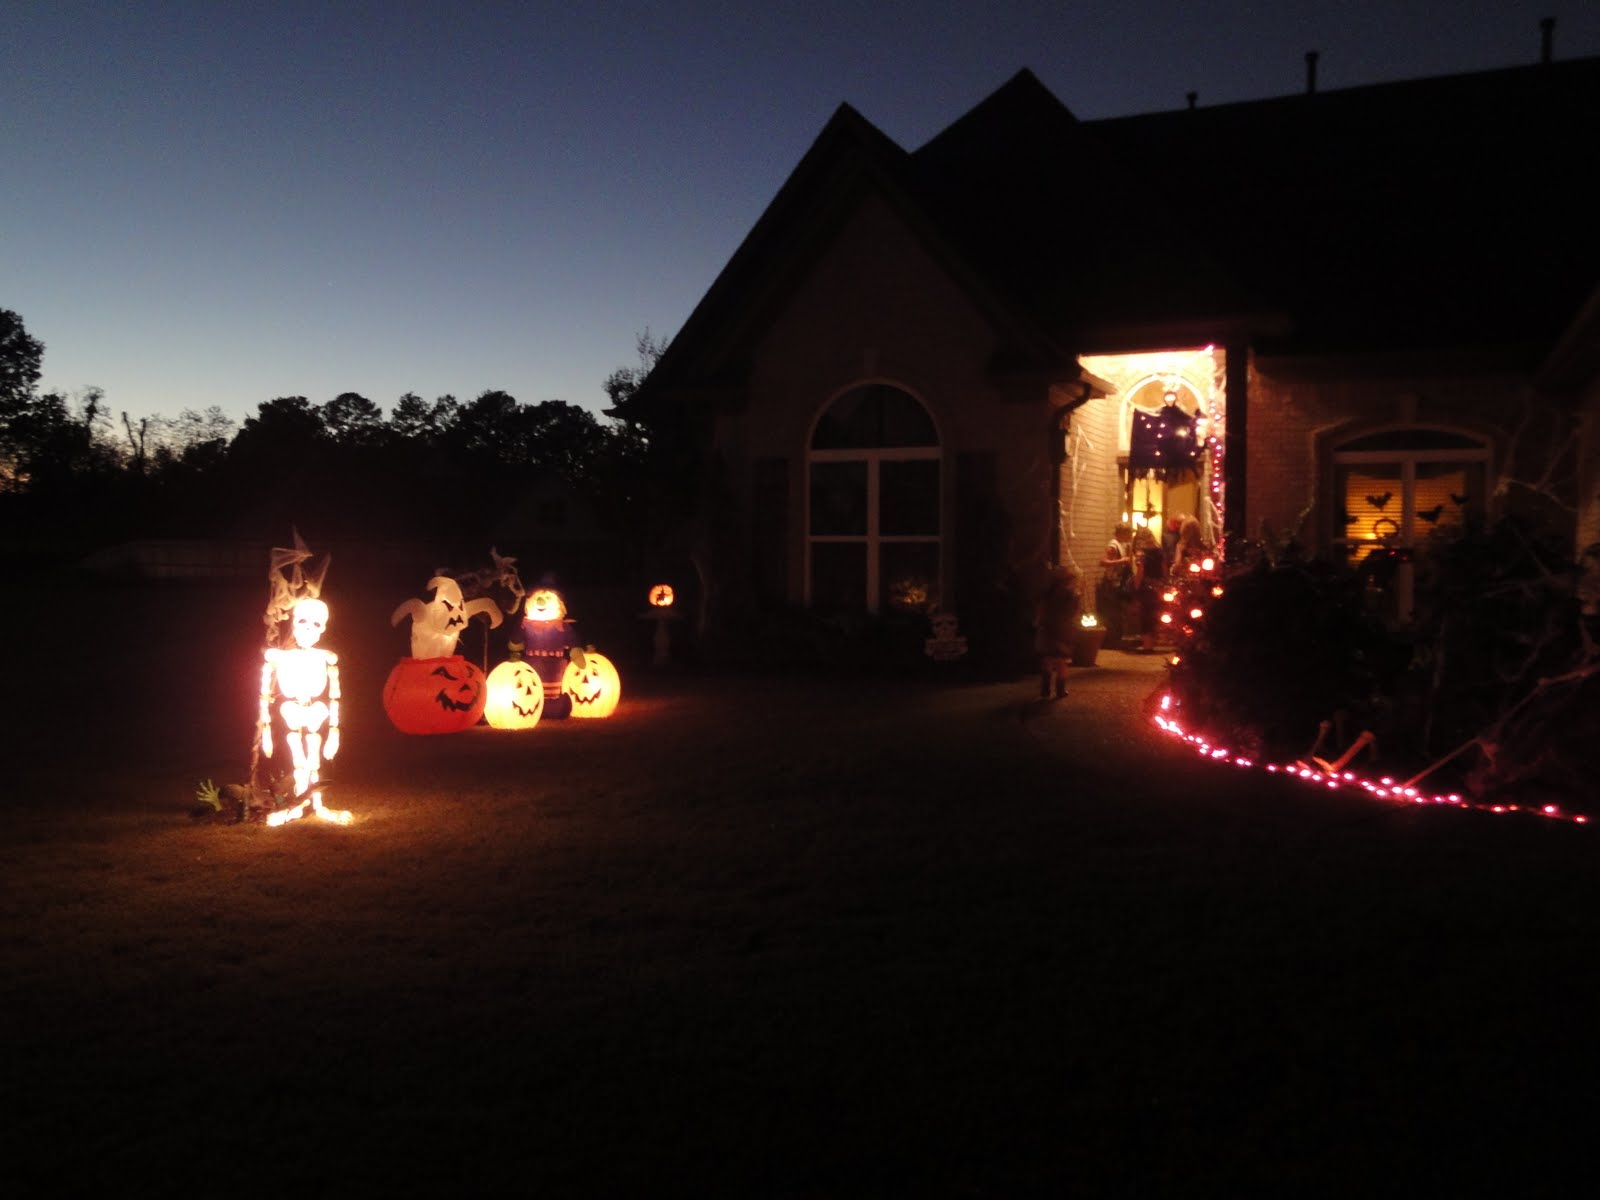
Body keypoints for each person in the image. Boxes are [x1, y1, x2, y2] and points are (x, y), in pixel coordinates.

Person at [1033, 565, 1080, 698]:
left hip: (1047, 629)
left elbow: (1040, 610)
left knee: (1047, 660)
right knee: (1061, 661)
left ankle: (1045, 689)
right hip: (1062, 630)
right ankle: (1060, 690)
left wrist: (1038, 622)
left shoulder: (1046, 594)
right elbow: (1073, 613)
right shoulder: (1070, 595)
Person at [1131, 526, 1167, 653]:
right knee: (1155, 614)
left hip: (1146, 586)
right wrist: (1164, 583)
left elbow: (1140, 571)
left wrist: (1136, 586)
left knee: (1145, 615)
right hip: (1158, 585)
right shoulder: (1160, 551)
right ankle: (1153, 642)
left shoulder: (1141, 554)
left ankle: (1147, 646)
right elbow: (1164, 569)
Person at [1099, 521, 1134, 647]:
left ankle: (1115, 639)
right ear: (1122, 533)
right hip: (1112, 582)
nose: (1130, 536)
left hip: (1117, 582)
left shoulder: (1122, 545)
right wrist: (1121, 561)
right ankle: (1111, 640)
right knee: (1113, 612)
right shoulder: (1113, 545)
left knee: (1117, 611)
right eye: (1128, 533)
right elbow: (1103, 562)